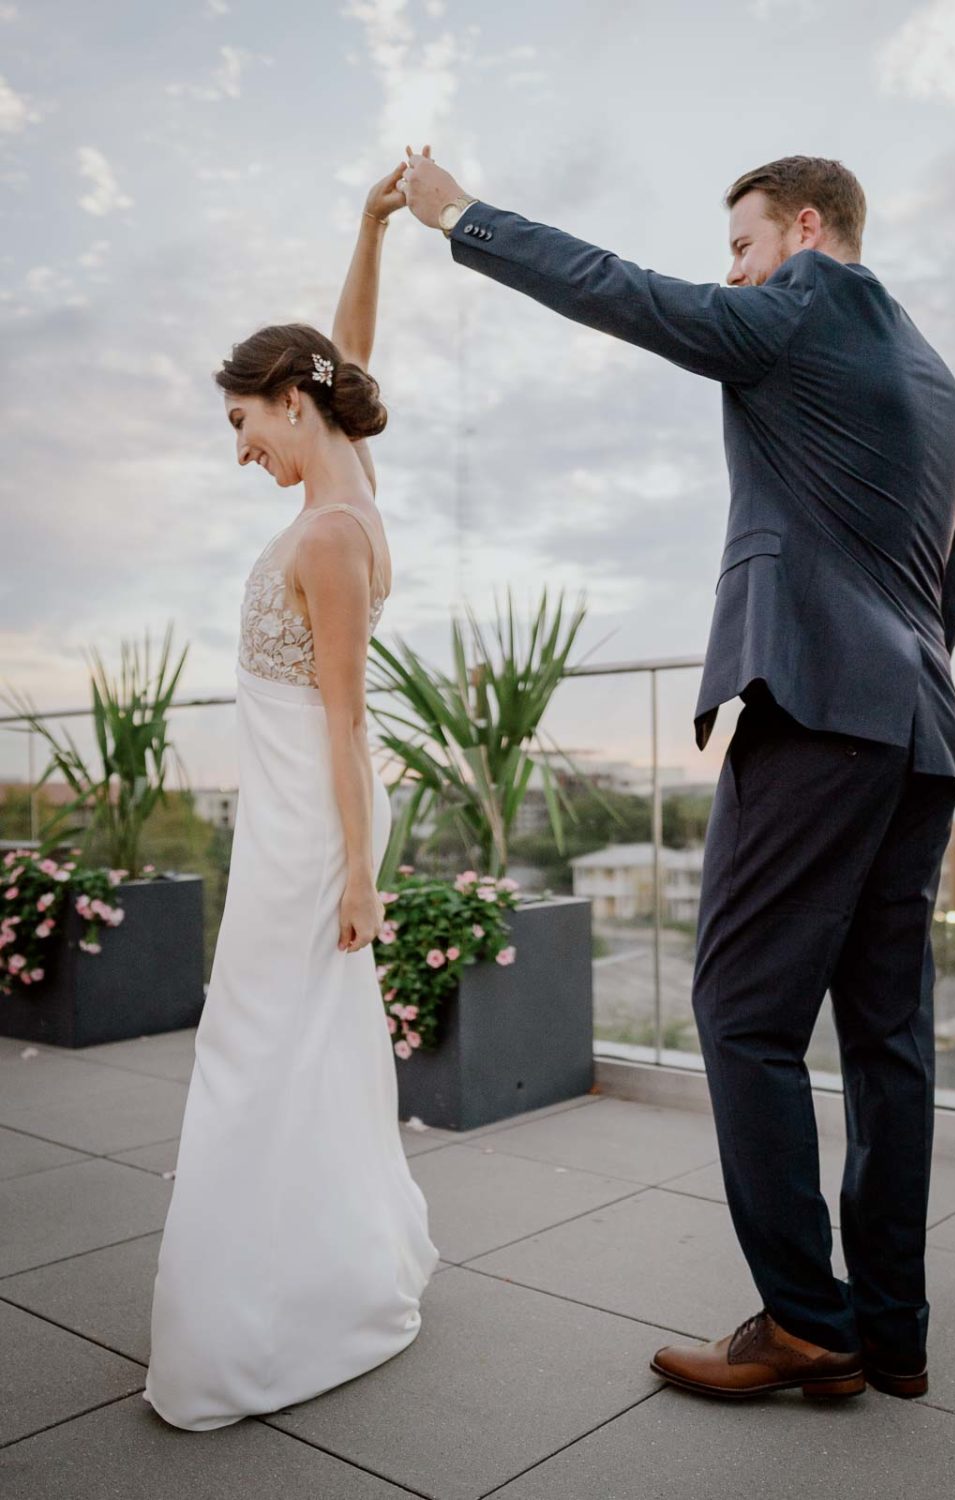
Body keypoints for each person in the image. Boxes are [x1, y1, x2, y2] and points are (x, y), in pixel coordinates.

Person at [401, 149, 955, 1402]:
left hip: (820, 711)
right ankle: (892, 1329)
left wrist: (462, 216)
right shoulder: (936, 376)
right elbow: (948, 582)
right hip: (920, 725)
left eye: (745, 246)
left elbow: (631, 294)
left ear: (806, 228)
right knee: (889, 1036)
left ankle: (808, 1324)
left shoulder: (807, 304)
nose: (735, 274)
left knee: (742, 1013)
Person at [143, 165, 438, 1431]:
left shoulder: (328, 533)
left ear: (291, 403)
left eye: (244, 423)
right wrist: (369, 228)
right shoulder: (347, 476)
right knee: (287, 1045)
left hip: (307, 829)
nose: (242, 447)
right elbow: (346, 347)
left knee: (253, 1048)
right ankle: (316, 1265)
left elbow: (344, 714)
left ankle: (258, 1316)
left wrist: (359, 875)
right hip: (293, 818)